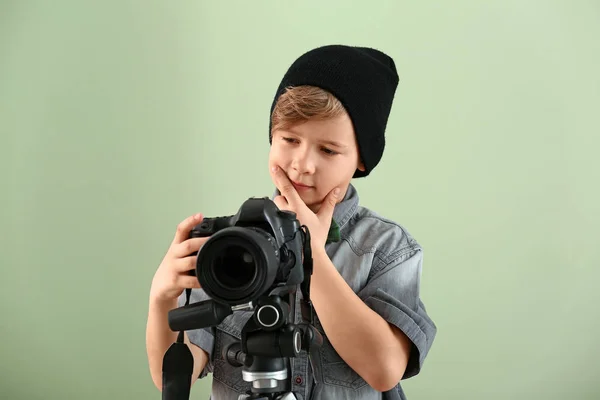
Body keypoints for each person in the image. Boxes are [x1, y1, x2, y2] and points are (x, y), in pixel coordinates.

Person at [146, 44, 437, 400]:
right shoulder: (231, 244)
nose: (303, 164)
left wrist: (310, 251)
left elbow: (384, 370)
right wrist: (162, 299)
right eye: (289, 139)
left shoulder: (385, 247)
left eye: (328, 150)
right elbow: (173, 377)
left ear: (362, 159)